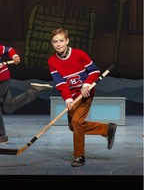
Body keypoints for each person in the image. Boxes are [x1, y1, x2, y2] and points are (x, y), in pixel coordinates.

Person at [0, 29, 53, 144]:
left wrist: (15, 56)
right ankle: (34, 91)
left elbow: (9, 50)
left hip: (2, 77)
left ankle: (0, 135)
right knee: (9, 107)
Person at [47, 28, 117, 167]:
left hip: (85, 94)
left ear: (67, 41)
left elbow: (95, 71)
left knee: (77, 122)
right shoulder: (52, 61)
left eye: (61, 40)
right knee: (74, 126)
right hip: (72, 97)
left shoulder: (79, 54)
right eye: (55, 42)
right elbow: (60, 83)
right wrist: (67, 99)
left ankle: (79, 156)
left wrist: (87, 84)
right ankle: (106, 129)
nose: (58, 44)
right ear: (52, 43)